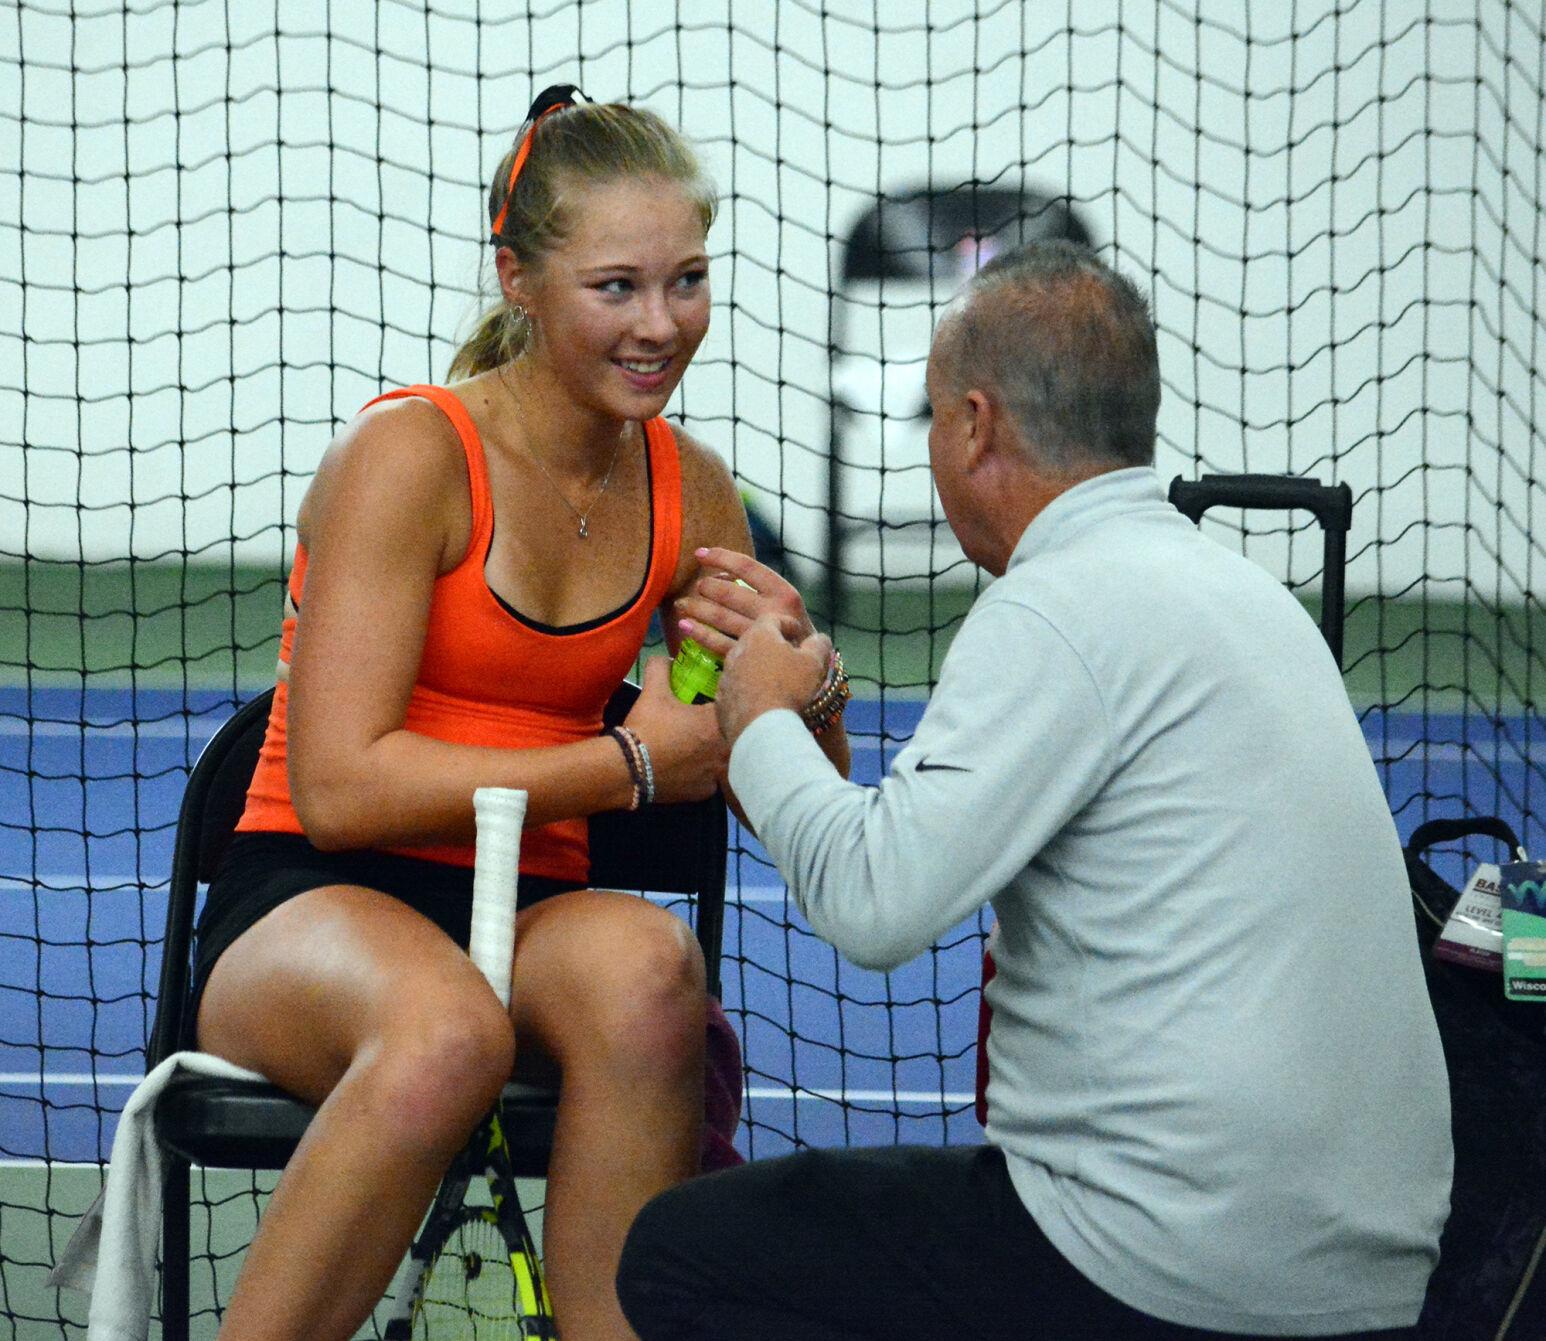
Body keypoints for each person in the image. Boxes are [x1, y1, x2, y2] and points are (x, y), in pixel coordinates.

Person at [616, 239, 1452, 1340]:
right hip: (1367, 1267)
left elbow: (871, 905)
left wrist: (759, 714)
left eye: (928, 420)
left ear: (974, 424)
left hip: (1176, 1263)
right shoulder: (1240, 596)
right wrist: (798, 696)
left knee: (681, 1258)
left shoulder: (1057, 607)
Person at [189, 86, 848, 1341]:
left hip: (528, 916)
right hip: (311, 899)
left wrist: (805, 686)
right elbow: (340, 790)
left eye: (688, 280)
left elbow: (742, 774)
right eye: (616, 287)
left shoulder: (692, 493)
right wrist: (623, 767)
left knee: (656, 970)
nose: (662, 326)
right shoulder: (410, 457)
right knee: (445, 1032)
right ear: (522, 281)